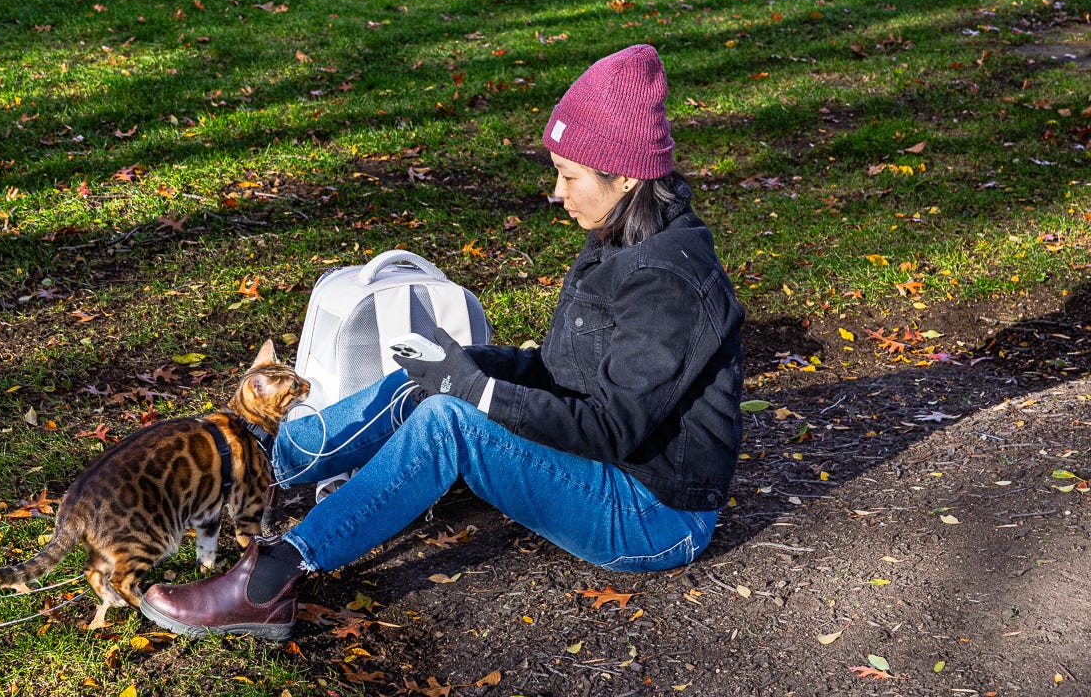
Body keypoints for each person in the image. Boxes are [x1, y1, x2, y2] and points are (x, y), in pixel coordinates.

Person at [140, 44, 746, 640]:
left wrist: (476, 393)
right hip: (603, 467)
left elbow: (611, 428)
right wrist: (468, 364)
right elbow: (571, 375)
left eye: (568, 174)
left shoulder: (669, 282)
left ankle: (270, 579)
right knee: (422, 385)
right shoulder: (622, 234)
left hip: (653, 516)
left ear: (629, 176)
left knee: (449, 421)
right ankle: (269, 464)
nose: (556, 192)